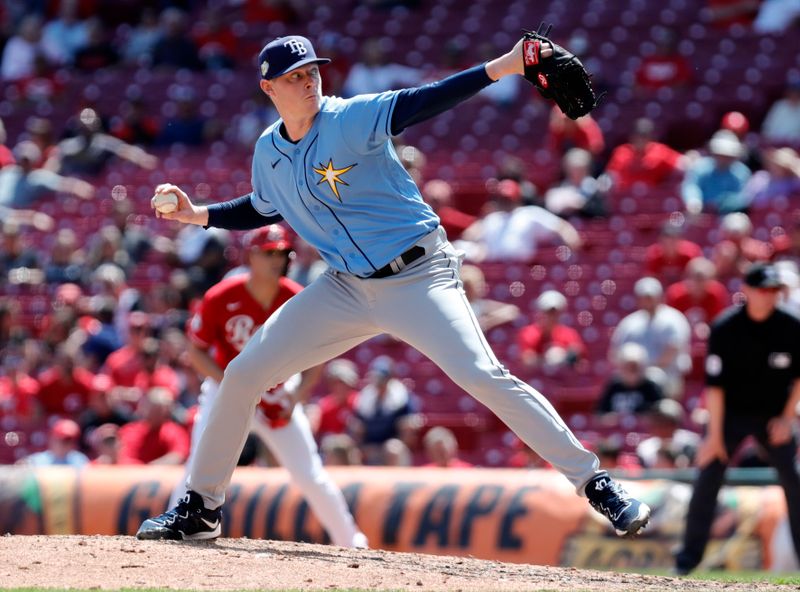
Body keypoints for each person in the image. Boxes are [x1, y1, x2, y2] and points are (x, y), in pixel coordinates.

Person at [136, 33, 650, 541]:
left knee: (484, 376)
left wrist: (507, 65)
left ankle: (597, 483)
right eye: (295, 77)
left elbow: (418, 102)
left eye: (313, 70)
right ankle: (201, 507)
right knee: (243, 373)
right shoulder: (269, 150)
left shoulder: (348, 117)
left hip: (418, 276)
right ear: (269, 88)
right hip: (344, 288)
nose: (309, 81)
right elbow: (261, 205)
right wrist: (198, 213)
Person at [167, 224, 367, 548]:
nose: (279, 258)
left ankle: (352, 540)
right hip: (226, 393)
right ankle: (173, 533)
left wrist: (299, 396)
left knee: (310, 475)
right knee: (198, 467)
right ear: (252, 255)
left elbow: (319, 351)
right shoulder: (222, 295)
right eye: (270, 252)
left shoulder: (297, 297)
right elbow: (196, 349)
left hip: (276, 394)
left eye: (284, 252)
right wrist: (231, 383)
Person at [675, 263, 800, 574]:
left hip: (773, 415)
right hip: (730, 415)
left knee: (794, 480)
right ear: (746, 291)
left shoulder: (791, 326)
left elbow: (799, 377)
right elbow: (714, 389)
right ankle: (687, 562)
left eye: (774, 290)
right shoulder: (726, 327)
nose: (769, 296)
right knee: (708, 473)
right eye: (763, 290)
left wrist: (787, 418)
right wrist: (714, 436)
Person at [609, 277, 692, 398]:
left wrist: (644, 370)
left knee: (655, 378)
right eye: (644, 297)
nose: (647, 301)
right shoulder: (629, 323)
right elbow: (615, 353)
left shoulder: (673, 319)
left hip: (666, 375)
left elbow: (672, 351)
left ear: (660, 296)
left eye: (650, 297)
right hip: (633, 377)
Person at [681, 130, 752, 215]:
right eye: (720, 155)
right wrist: (694, 201)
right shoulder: (700, 168)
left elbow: (743, 197)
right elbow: (691, 185)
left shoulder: (742, 173)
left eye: (728, 156)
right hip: (700, 214)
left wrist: (722, 204)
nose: (724, 159)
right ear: (714, 153)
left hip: (729, 215)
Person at [516, 290, 585, 372]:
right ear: (540, 312)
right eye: (548, 312)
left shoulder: (569, 333)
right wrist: (547, 360)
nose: (551, 316)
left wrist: (564, 357)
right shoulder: (528, 332)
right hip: (537, 381)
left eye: (555, 312)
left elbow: (578, 355)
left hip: (562, 381)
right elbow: (527, 360)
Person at [20, 418, 89, 467]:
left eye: (69, 441)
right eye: (63, 440)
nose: (65, 445)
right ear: (52, 439)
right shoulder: (37, 461)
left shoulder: (80, 461)